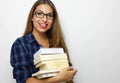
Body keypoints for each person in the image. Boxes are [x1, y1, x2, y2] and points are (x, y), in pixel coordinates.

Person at [10, 0, 77, 83]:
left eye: (49, 15)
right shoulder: (21, 44)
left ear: (53, 21)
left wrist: (69, 74)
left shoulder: (57, 42)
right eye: (39, 14)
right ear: (32, 17)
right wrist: (58, 79)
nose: (45, 19)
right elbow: (23, 80)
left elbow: (67, 75)